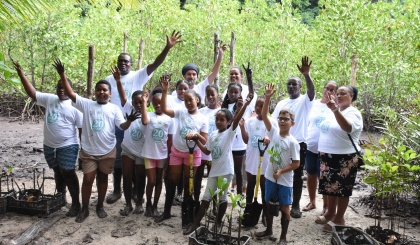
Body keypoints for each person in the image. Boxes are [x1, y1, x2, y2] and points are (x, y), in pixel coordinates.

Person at [52, 59, 140, 223]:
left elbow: (122, 126)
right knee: (87, 179)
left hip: (107, 151)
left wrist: (130, 121)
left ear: (110, 93)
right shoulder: (86, 104)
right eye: (98, 90)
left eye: (104, 90)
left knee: (103, 178)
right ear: (95, 92)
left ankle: (99, 206)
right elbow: (71, 94)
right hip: (89, 152)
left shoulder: (113, 108)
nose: (101, 92)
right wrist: (62, 74)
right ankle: (85, 208)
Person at [105, 30, 182, 204]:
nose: (123, 63)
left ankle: (134, 192)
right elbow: (110, 98)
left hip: (139, 122)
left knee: (138, 160)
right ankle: (117, 191)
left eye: (126, 61)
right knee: (120, 160)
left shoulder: (137, 76)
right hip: (118, 122)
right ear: (117, 63)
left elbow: (155, 64)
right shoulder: (110, 78)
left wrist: (167, 48)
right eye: (120, 61)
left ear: (132, 64)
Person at [13, 61, 83, 217]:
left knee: (68, 172)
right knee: (58, 172)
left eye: (64, 87)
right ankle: (61, 198)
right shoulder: (50, 99)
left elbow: (81, 129)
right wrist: (21, 74)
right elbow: (32, 93)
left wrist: (83, 150)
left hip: (68, 145)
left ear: (69, 89)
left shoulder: (75, 105)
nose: (61, 90)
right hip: (50, 146)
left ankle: (76, 204)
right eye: (59, 87)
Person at [183, 93, 254, 235]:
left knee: (222, 199)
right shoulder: (214, 134)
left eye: (222, 120)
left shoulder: (230, 132)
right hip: (214, 172)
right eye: (217, 119)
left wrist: (245, 104)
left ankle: (218, 222)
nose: (219, 122)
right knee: (206, 199)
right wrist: (197, 138)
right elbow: (207, 151)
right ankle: (195, 224)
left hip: (226, 171)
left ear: (228, 122)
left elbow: (237, 119)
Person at [155, 76, 208, 226]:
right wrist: (165, 91)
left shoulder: (202, 119)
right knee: (171, 180)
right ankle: (166, 212)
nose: (188, 103)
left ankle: (187, 216)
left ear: (197, 100)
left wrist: (196, 135)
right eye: (185, 101)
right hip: (177, 152)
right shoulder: (180, 112)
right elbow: (165, 109)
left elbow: (204, 141)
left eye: (191, 100)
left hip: (194, 154)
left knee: (188, 184)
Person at [255, 83, 300, 245]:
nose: (281, 121)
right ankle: (268, 230)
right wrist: (267, 97)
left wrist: (281, 171)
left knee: (285, 209)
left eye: (285, 119)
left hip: (284, 180)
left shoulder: (293, 142)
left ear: (292, 123)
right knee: (267, 204)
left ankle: (283, 237)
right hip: (269, 177)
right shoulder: (273, 132)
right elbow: (265, 115)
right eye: (280, 118)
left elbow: (296, 164)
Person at [271, 56, 315, 218]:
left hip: (298, 144)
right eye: (289, 84)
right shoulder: (282, 103)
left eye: (294, 84)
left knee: (297, 175)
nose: (291, 86)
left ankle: (295, 205)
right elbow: (274, 124)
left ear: (300, 86)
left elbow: (311, 91)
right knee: (278, 172)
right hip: (280, 143)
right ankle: (276, 203)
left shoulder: (305, 100)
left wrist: (306, 74)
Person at [315, 86, 363, 231]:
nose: (339, 96)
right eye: (338, 93)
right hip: (327, 155)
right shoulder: (333, 110)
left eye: (343, 93)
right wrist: (334, 110)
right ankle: (330, 213)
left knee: (342, 188)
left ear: (352, 95)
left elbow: (347, 128)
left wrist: (335, 110)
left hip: (345, 157)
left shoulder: (353, 113)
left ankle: (339, 219)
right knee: (329, 187)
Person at [111, 66, 148, 216]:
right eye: (136, 102)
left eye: (141, 102)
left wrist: (145, 104)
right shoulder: (127, 108)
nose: (138, 105)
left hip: (141, 152)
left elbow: (145, 122)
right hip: (127, 149)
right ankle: (127, 204)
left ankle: (139, 202)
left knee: (140, 178)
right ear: (131, 102)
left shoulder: (148, 114)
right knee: (126, 177)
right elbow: (122, 95)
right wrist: (118, 81)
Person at [239, 94, 278, 226]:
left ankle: (265, 215)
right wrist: (242, 128)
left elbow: (275, 138)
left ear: (269, 107)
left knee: (264, 187)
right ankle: (249, 211)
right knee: (250, 186)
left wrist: (268, 138)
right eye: (257, 105)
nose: (259, 108)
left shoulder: (272, 122)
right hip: (251, 158)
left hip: (265, 159)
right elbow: (246, 140)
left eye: (262, 106)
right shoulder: (250, 121)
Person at [303, 81, 338, 215]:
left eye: (333, 90)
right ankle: (312, 202)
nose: (329, 91)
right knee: (311, 174)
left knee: (324, 178)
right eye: (327, 88)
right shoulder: (314, 104)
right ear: (323, 89)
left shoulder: (336, 107)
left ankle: (326, 206)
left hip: (327, 148)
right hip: (311, 146)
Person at [140, 84, 174, 217]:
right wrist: (144, 103)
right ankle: (148, 203)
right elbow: (144, 121)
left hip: (163, 155)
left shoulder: (169, 118)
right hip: (149, 154)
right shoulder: (149, 115)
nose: (158, 105)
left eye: (160, 103)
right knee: (152, 181)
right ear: (152, 104)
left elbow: (170, 139)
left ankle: (155, 206)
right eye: (155, 103)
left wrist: (169, 157)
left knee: (159, 180)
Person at [221, 82, 253, 197]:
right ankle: (223, 194)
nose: (233, 94)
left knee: (238, 171)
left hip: (238, 144)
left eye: (236, 92)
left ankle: (239, 195)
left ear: (240, 94)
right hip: (226, 143)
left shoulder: (244, 105)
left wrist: (249, 79)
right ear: (227, 92)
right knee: (225, 169)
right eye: (231, 91)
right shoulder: (224, 106)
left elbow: (251, 94)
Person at [194, 84, 220, 212]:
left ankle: (215, 205)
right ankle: (196, 201)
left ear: (217, 95)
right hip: (201, 150)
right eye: (208, 95)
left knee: (213, 178)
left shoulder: (221, 112)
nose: (210, 97)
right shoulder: (201, 111)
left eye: (212, 94)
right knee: (197, 178)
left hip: (214, 153)